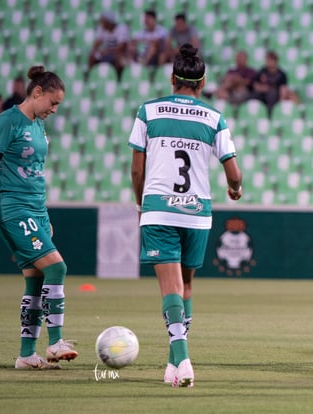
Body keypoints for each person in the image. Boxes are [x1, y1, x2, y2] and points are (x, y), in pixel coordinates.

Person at [128, 44, 242, 387]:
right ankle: (172, 364)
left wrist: (140, 204)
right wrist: (235, 190)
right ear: (202, 81)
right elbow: (233, 173)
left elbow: (137, 171)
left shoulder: (148, 111)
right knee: (186, 284)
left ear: (172, 78)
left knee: (170, 286)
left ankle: (182, 359)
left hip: (159, 209)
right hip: (197, 213)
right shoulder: (213, 117)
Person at [0, 66, 79, 369]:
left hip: (34, 209)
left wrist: (44, 213)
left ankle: (26, 355)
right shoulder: (7, 121)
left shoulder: (37, 125)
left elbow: (36, 172)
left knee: (35, 280)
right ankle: (55, 342)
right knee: (57, 267)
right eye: (53, 102)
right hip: (12, 208)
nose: (54, 109)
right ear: (37, 93)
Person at [252, 50, 299, 116]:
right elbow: (255, 84)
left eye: (269, 60)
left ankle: (272, 113)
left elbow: (283, 88)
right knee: (254, 94)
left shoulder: (281, 74)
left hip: (275, 96)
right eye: (267, 60)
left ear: (275, 61)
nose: (267, 62)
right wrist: (261, 88)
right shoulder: (262, 71)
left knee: (272, 94)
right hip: (262, 94)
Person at [87, 10, 130, 81]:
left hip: (119, 53)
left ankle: (118, 79)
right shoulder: (101, 29)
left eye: (103, 21)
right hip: (107, 53)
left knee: (118, 58)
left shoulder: (121, 28)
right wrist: (95, 51)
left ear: (108, 22)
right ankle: (92, 78)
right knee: (92, 56)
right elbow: (97, 43)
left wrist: (107, 51)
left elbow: (122, 47)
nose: (101, 23)